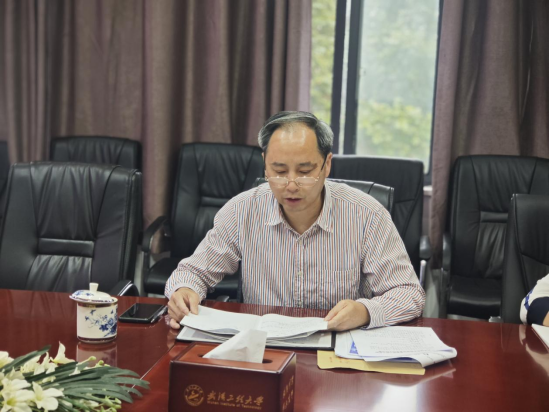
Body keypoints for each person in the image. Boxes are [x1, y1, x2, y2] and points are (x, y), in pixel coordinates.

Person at [165, 111, 425, 331]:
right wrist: (185, 291)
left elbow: (409, 293)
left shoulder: (366, 214)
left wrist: (365, 311)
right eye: (279, 171)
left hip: (337, 351)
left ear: (327, 165)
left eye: (304, 171)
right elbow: (192, 272)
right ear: (265, 165)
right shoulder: (242, 211)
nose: (291, 185)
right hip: (266, 348)